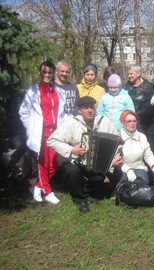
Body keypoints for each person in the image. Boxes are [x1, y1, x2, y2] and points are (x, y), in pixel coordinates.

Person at [47, 96, 119, 213]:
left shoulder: (103, 121)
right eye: (86, 108)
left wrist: (116, 157)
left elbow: (116, 140)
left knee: (99, 176)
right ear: (80, 110)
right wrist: (71, 150)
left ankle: (88, 193)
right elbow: (51, 140)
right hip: (73, 160)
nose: (90, 110)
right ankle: (80, 200)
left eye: (92, 107)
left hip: (95, 163)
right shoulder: (71, 123)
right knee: (72, 172)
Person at [19, 60, 67, 204]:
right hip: (40, 134)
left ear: (54, 74)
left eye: (50, 72)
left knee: (56, 162)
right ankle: (48, 192)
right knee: (42, 163)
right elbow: (24, 113)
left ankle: (37, 186)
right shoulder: (32, 91)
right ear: (40, 72)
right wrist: (31, 128)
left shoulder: (59, 91)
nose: (47, 75)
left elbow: (62, 113)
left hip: (55, 133)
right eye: (44, 72)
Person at [118, 110, 154, 184]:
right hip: (122, 169)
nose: (132, 123)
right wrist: (127, 170)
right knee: (125, 184)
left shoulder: (142, 137)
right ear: (123, 123)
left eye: (134, 121)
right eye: (129, 121)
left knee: (143, 182)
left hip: (139, 168)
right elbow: (116, 160)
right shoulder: (118, 138)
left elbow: (148, 154)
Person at [123, 65, 154, 135]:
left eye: (131, 74)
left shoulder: (148, 86)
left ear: (138, 74)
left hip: (145, 123)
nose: (129, 76)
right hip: (130, 121)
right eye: (128, 74)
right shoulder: (125, 87)